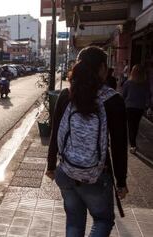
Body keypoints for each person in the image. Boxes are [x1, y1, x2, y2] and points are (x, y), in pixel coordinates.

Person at [46, 46, 128, 237]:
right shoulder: (113, 100)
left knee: (74, 223)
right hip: (96, 176)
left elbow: (56, 133)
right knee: (102, 220)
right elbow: (118, 145)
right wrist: (121, 181)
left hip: (66, 172)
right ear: (101, 68)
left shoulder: (67, 95)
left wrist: (51, 165)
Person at [122, 64, 151, 153]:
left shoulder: (128, 83)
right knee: (135, 125)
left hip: (129, 107)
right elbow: (148, 96)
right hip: (140, 107)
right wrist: (148, 106)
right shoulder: (145, 84)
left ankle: (133, 145)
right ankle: (133, 143)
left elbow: (124, 95)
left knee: (130, 125)